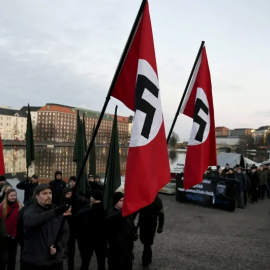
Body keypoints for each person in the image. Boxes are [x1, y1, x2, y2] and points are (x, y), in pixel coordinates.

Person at [22, 183, 71, 270]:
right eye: (44, 194)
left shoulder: (57, 210)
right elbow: (32, 220)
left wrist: (58, 246)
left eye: (50, 193)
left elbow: (65, 231)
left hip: (55, 262)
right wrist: (55, 212)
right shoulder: (30, 210)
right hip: (35, 262)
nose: (48, 196)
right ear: (37, 196)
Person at [106, 192, 136, 270]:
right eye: (121, 200)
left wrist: (133, 234)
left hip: (127, 252)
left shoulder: (128, 214)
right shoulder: (112, 212)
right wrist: (124, 212)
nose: (123, 202)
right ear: (115, 201)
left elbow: (131, 226)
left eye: (124, 200)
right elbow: (110, 218)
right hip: (116, 252)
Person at [78, 190, 106, 270]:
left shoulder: (89, 210)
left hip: (89, 239)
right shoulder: (104, 209)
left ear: (94, 198)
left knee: (85, 261)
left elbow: (82, 220)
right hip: (101, 240)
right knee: (101, 261)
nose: (90, 198)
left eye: (91, 197)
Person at [137, 195, 164, 268]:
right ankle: (148, 258)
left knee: (147, 243)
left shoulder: (157, 200)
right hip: (142, 224)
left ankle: (145, 262)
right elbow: (137, 211)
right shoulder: (143, 198)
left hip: (151, 225)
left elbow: (161, 214)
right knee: (144, 241)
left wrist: (160, 226)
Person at [0, 189, 22, 270]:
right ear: (7, 196)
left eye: (14, 195)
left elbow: (20, 222)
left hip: (14, 236)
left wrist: (15, 234)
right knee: (3, 259)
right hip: (3, 236)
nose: (13, 197)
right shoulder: (2, 207)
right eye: (11, 195)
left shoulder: (19, 206)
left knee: (12, 259)